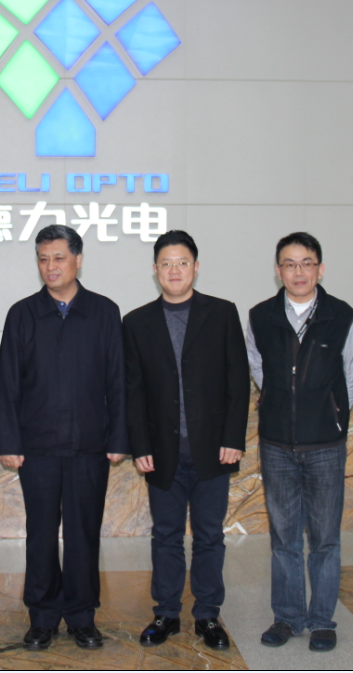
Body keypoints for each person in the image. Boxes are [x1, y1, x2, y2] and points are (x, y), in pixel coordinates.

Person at [0, 224, 128, 651]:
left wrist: (118, 437)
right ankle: (43, 616)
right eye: (43, 258)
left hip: (89, 446)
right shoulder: (22, 314)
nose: (50, 266)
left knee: (85, 533)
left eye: (59, 258)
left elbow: (118, 381)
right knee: (41, 533)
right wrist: (9, 442)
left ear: (78, 260)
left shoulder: (104, 312)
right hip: (38, 448)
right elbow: (7, 384)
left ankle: (82, 616)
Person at [123, 230, 249, 650]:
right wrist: (140, 445)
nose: (174, 270)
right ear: (155, 270)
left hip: (214, 449)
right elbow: (133, 390)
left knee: (210, 535)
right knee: (166, 535)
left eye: (182, 262)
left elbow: (238, 381)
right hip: (162, 452)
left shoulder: (222, 313)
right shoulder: (136, 322)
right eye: (166, 263)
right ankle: (166, 613)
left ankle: (208, 615)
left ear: (196, 267)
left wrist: (233, 437)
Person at [246, 232, 353, 652]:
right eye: (290, 264)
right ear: (278, 271)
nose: (298, 272)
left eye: (307, 263)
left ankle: (321, 620)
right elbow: (258, 367)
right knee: (284, 538)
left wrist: (330, 410)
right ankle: (287, 617)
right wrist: (282, 400)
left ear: (320, 269)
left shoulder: (342, 316)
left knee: (325, 538)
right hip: (277, 443)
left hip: (325, 445)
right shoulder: (260, 316)